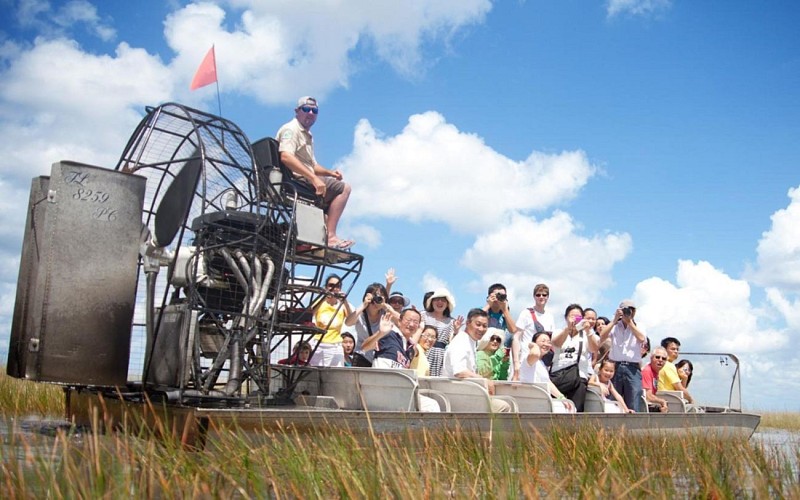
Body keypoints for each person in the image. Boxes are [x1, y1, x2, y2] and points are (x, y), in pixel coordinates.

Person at [276, 96, 353, 249]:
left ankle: (307, 242)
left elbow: (312, 165)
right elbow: (285, 156)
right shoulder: (291, 129)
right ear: (297, 111)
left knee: (328, 201)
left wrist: (330, 173)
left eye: (314, 110)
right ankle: (331, 237)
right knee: (344, 189)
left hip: (304, 179)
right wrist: (313, 178)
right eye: (306, 109)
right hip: (298, 181)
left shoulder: (306, 134)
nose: (310, 113)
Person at [361, 309, 439, 412]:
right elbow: (364, 347)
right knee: (430, 406)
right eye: (408, 320)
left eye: (415, 322)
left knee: (431, 404)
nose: (411, 324)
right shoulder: (389, 335)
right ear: (399, 321)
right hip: (381, 390)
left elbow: (413, 342)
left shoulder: (410, 348)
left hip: (400, 392)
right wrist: (380, 333)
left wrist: (420, 329)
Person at [442, 308, 511, 413]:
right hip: (458, 396)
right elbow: (459, 371)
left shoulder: (471, 341)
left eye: (484, 326)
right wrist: (484, 380)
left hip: (467, 392)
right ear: (468, 323)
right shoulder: (461, 341)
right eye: (478, 324)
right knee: (504, 406)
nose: (481, 329)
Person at [598, 299, 646, 413]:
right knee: (613, 399)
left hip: (632, 367)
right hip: (615, 366)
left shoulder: (639, 325)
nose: (629, 312)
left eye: (631, 310)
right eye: (626, 310)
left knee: (634, 398)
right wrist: (614, 320)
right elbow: (602, 336)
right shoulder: (614, 325)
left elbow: (642, 338)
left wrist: (630, 322)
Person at [550, 304, 599, 412]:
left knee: (576, 409)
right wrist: (568, 329)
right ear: (566, 317)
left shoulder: (587, 334)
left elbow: (594, 348)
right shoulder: (559, 331)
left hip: (579, 376)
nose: (575, 320)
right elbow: (556, 343)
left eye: (578, 317)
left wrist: (588, 331)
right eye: (572, 316)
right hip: (559, 375)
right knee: (556, 408)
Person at [344, 282, 398, 365]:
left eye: (379, 297)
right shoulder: (360, 313)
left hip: (380, 357)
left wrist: (385, 305)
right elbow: (348, 323)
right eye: (374, 296)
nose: (375, 301)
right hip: (362, 356)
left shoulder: (385, 313)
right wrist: (364, 305)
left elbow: (401, 321)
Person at [512, 283, 557, 381]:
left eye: (544, 295)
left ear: (548, 297)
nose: (541, 297)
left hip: (542, 361)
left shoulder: (550, 317)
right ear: (534, 296)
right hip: (527, 357)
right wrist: (516, 362)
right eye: (538, 294)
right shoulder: (526, 313)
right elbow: (516, 337)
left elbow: (551, 341)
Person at [310, 273, 352, 367]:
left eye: (337, 286)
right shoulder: (320, 302)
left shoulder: (342, 305)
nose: (334, 288)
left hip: (336, 345)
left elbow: (350, 321)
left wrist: (345, 301)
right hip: (319, 344)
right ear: (326, 287)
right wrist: (324, 296)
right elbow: (309, 315)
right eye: (331, 285)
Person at [422, 288, 463, 377]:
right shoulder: (423, 315)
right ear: (432, 302)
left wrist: (456, 331)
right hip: (424, 351)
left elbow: (452, 342)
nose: (440, 302)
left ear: (447, 304)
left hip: (441, 355)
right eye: (437, 299)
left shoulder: (452, 321)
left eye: (443, 300)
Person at [519, 331, 567, 400]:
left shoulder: (542, 363)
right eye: (543, 341)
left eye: (548, 342)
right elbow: (535, 354)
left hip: (541, 399)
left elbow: (548, 382)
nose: (546, 344)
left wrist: (561, 397)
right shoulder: (528, 358)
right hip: (530, 399)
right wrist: (533, 345)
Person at [658, 337, 695, 404]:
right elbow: (680, 389)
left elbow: (680, 392)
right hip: (669, 401)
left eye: (677, 349)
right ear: (664, 350)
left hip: (665, 399)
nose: (676, 351)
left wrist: (684, 378)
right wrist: (691, 400)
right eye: (673, 349)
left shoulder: (659, 365)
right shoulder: (669, 365)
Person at [482, 283, 519, 349]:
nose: (499, 297)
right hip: (484, 345)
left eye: (502, 296)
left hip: (498, 346)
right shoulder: (483, 310)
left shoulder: (505, 313)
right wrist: (488, 305)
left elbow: (513, 330)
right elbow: (475, 320)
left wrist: (505, 310)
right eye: (496, 295)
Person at [641, 347, 670, 412]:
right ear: (651, 358)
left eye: (664, 358)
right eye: (657, 357)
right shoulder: (647, 371)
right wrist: (662, 401)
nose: (660, 360)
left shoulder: (656, 372)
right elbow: (648, 396)